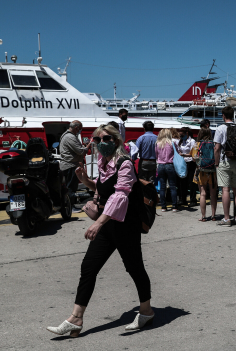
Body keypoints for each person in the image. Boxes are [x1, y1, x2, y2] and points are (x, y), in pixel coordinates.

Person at [46, 124, 153, 337]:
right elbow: (104, 189)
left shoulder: (124, 164)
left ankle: (146, 311)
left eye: (105, 139)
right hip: (108, 224)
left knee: (134, 268)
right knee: (88, 267)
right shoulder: (104, 163)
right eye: (96, 139)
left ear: (116, 140)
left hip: (125, 225)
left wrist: (97, 223)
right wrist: (85, 181)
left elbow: (120, 195)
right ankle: (76, 319)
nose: (100, 143)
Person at [213, 106, 236, 226]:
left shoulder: (220, 129)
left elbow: (217, 148)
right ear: (233, 115)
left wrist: (216, 163)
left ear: (223, 115)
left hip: (225, 161)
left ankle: (227, 218)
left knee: (225, 189)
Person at [59, 120, 88, 210]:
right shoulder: (70, 137)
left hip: (68, 165)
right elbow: (80, 151)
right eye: (80, 129)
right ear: (76, 128)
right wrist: (87, 147)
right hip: (70, 166)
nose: (80, 131)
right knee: (71, 187)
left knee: (69, 187)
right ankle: (70, 207)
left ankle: (69, 206)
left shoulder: (67, 135)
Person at [193, 128, 218, 221]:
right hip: (212, 171)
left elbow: (194, 159)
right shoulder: (213, 144)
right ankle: (213, 215)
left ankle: (203, 216)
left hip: (201, 171)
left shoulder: (197, 144)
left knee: (202, 194)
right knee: (213, 194)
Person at [156, 128, 179, 212]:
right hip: (170, 165)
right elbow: (177, 153)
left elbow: (156, 155)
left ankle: (163, 207)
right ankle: (174, 206)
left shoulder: (158, 144)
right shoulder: (172, 143)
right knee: (172, 186)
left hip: (161, 165)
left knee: (162, 187)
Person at [177, 127, 197, 207]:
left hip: (190, 162)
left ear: (187, 133)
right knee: (182, 182)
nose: (181, 137)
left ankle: (193, 199)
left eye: (182, 135)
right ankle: (183, 199)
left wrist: (183, 154)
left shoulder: (192, 141)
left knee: (191, 182)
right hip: (183, 162)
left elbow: (194, 153)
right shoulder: (182, 141)